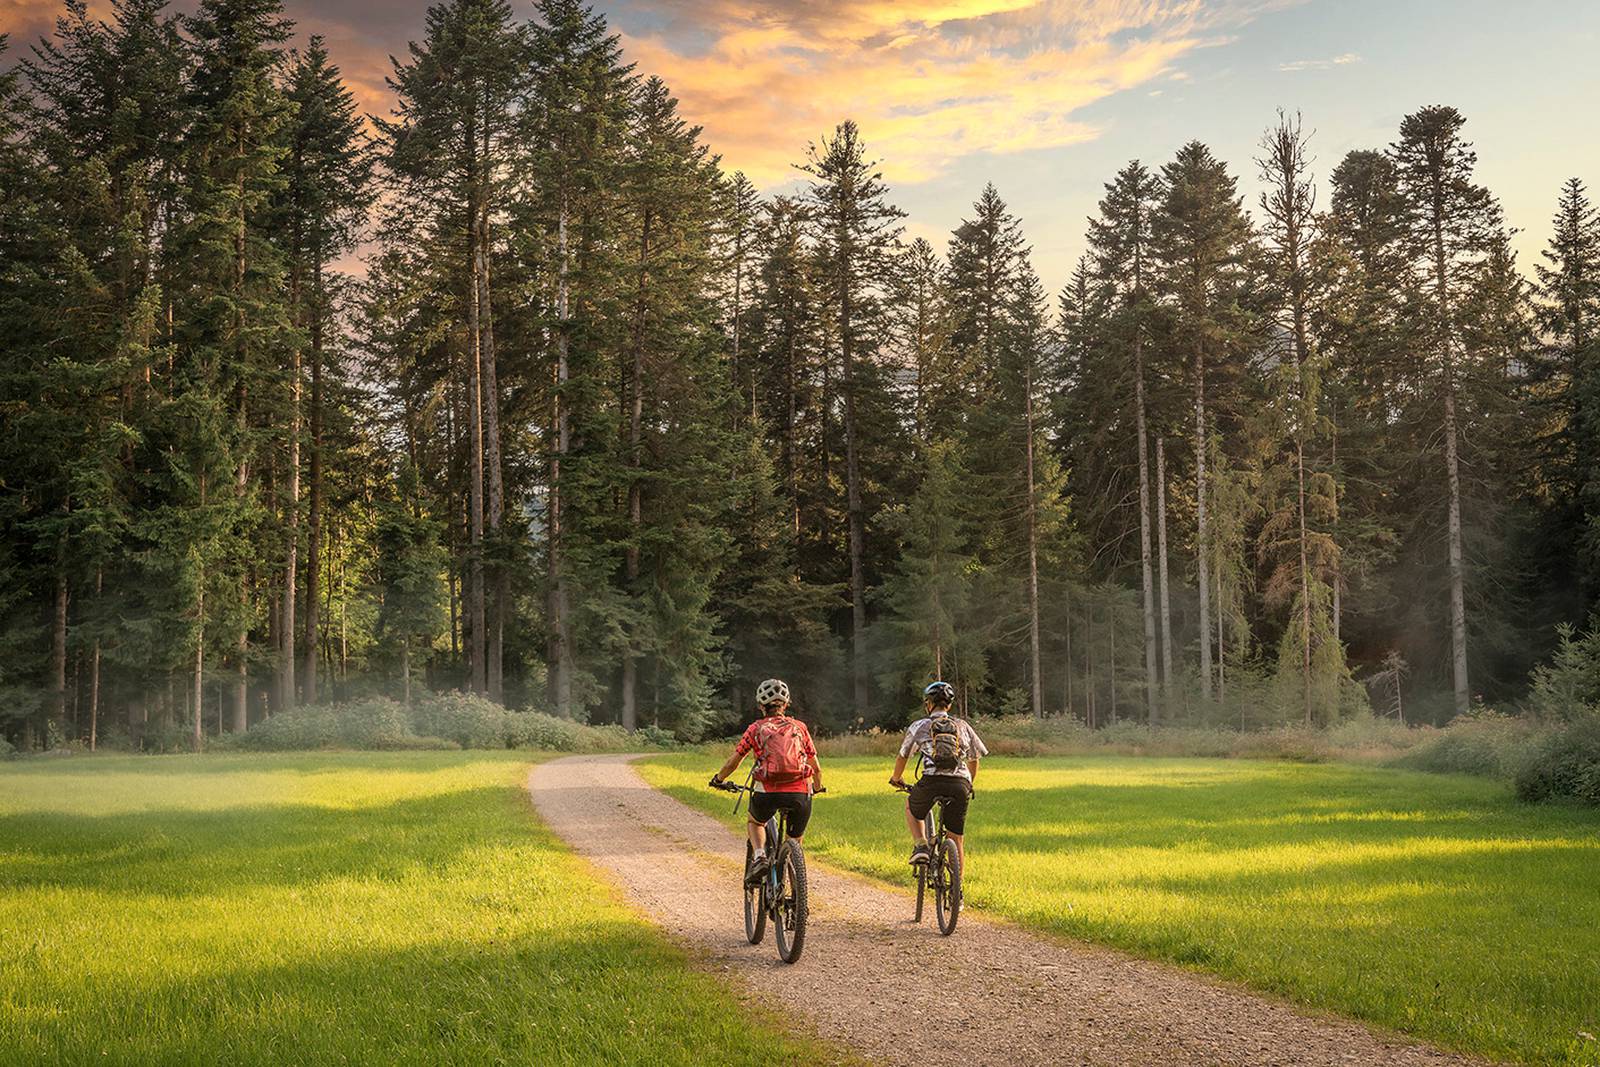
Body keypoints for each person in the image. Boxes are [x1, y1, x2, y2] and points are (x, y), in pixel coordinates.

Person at [710, 678, 823, 885]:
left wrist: (719, 779)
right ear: (786, 704)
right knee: (794, 841)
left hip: (767, 792)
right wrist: (817, 786)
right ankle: (797, 892)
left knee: (755, 822)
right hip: (800, 792)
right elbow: (815, 766)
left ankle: (760, 856)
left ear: (761, 706)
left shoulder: (755, 729)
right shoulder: (800, 727)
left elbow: (732, 762)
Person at [889, 680, 987, 869]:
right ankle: (957, 894)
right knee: (956, 838)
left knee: (911, 804)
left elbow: (903, 756)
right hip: (961, 783)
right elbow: (974, 759)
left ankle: (921, 846)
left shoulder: (920, 726)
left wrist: (896, 779)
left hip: (932, 780)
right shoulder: (962, 725)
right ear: (949, 705)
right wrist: (969, 784)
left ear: (928, 704)